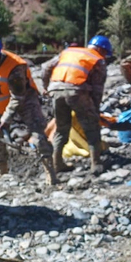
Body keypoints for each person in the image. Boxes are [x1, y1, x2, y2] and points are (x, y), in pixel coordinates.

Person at [0, 34, 57, 184]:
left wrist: (5, 119)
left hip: (25, 101)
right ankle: (1, 172)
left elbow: (18, 97)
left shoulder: (16, 67)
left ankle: (50, 174)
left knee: (38, 136)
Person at [43, 35, 111, 175]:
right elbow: (98, 89)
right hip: (77, 91)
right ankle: (95, 164)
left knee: (61, 129)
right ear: (100, 49)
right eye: (105, 52)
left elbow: (45, 68)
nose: (105, 56)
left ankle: (57, 163)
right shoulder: (97, 60)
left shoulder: (68, 51)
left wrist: (46, 87)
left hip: (56, 90)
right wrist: (95, 111)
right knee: (92, 128)